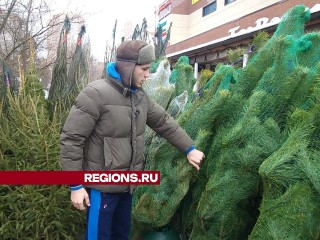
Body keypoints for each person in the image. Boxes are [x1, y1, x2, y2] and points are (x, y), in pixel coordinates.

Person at [60, 40, 205, 240]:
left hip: (127, 186)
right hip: (101, 189)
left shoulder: (139, 97)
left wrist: (189, 148)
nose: (148, 75)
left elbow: (163, 121)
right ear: (128, 67)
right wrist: (75, 186)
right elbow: (71, 139)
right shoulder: (95, 94)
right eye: (144, 69)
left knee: (120, 235)